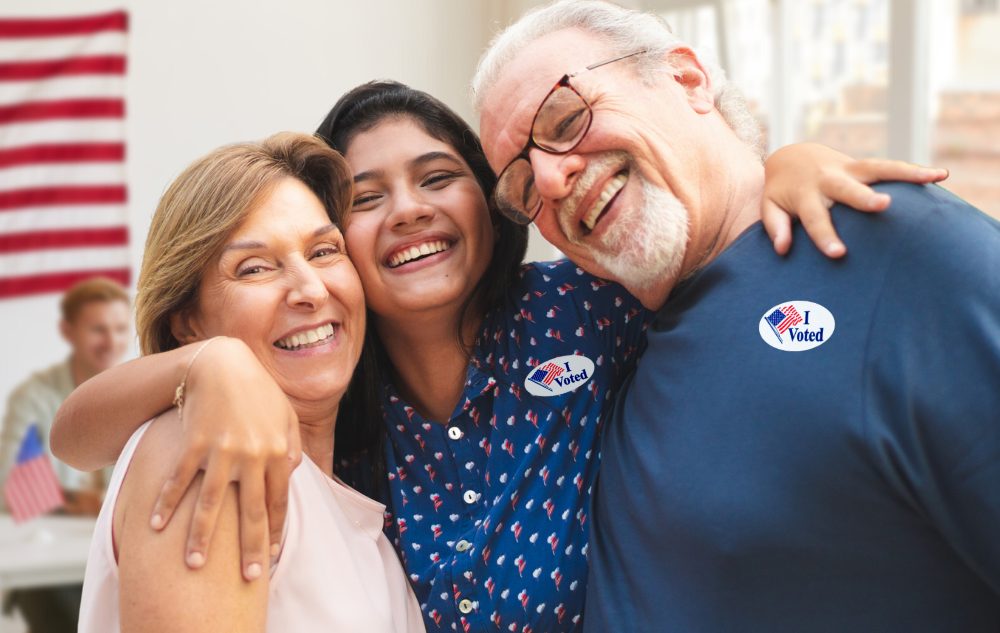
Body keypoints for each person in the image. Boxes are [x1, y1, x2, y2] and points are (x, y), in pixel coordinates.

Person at [52, 81, 942, 633]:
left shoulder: (587, 304)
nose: (407, 209)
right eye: (365, 200)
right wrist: (205, 368)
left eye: (439, 177)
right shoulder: (300, 412)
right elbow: (76, 436)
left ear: (494, 202)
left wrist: (776, 168)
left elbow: (709, 254)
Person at [471, 0, 1000, 631]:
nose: (553, 181)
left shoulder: (901, 249)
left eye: (565, 119)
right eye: (524, 184)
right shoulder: (602, 332)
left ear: (689, 80)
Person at [76, 133, 424, 633]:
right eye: (255, 268)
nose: (310, 289)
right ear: (187, 323)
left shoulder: (350, 505)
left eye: (325, 251)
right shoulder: (206, 445)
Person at [0, 276, 129, 633]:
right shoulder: (34, 397)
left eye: (120, 328)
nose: (111, 342)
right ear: (68, 331)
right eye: (97, 330)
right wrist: (89, 502)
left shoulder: (141, 389)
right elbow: (12, 489)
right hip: (50, 560)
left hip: (123, 546)